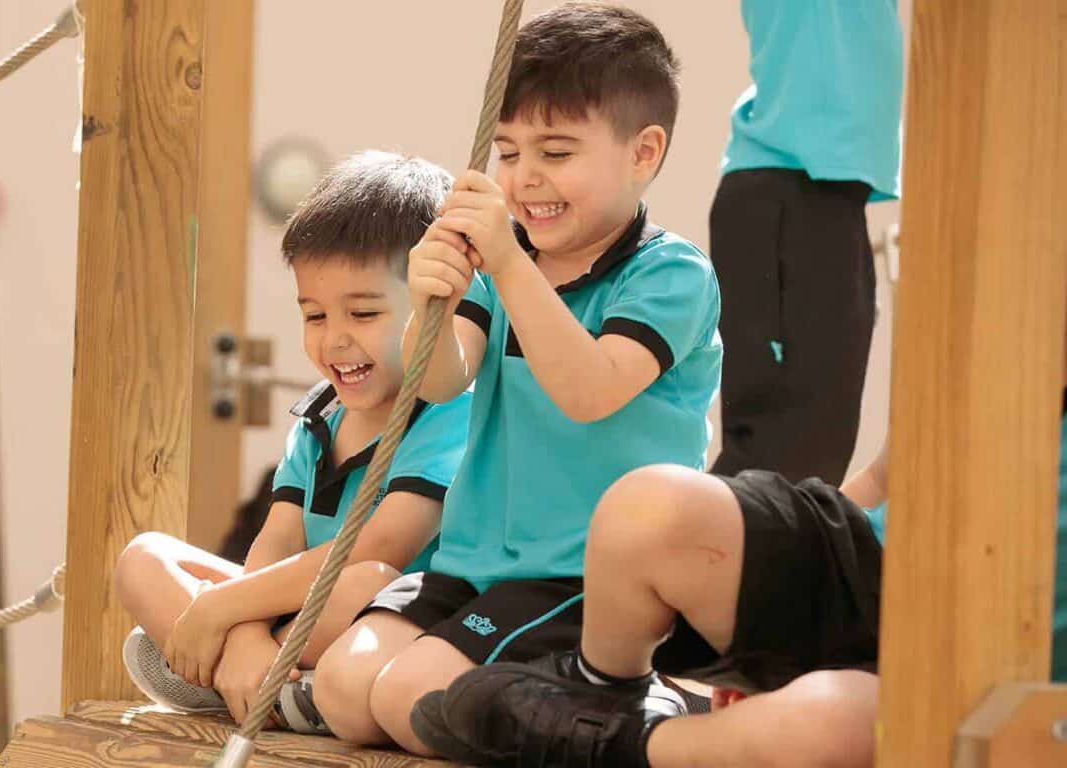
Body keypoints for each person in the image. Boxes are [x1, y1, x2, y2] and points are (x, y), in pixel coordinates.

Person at [311, 4, 722, 755]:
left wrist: (504, 262)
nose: (525, 179)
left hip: (583, 578)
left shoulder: (670, 275)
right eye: (508, 152)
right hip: (474, 562)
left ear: (644, 152)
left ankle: (642, 716)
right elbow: (440, 379)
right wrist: (427, 304)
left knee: (412, 698)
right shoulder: (502, 263)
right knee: (344, 690)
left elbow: (589, 389)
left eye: (556, 153)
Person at [410, 402, 1067, 767]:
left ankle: (622, 743)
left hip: (974, 656)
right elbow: (887, 477)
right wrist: (769, 600)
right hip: (873, 564)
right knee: (648, 508)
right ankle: (606, 686)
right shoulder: (1003, 313)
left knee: (825, 736)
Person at [112, 151, 473, 733]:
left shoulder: (449, 408)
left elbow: (374, 551)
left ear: (435, 306)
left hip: (387, 621)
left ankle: (237, 670)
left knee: (368, 580)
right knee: (145, 557)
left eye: (363, 313)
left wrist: (220, 609)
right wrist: (249, 632)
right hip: (290, 608)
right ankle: (251, 673)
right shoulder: (320, 416)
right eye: (314, 316)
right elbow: (275, 540)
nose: (335, 341)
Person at [709, 0, 904, 483]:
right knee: (781, 453)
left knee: (816, 453)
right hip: (788, 188)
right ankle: (679, 552)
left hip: (830, 196)